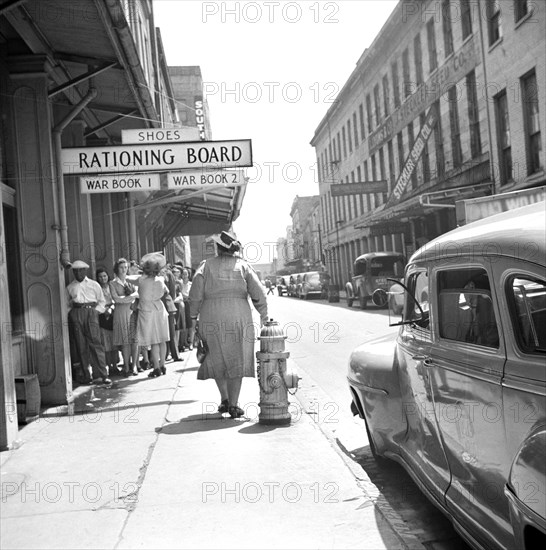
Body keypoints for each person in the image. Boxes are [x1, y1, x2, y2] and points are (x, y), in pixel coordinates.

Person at [189, 231, 268, 419]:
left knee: (216, 356)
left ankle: (224, 399)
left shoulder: (205, 266)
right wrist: (263, 314)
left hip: (211, 315)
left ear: (217, 248)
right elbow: (259, 293)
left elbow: (195, 294)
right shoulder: (243, 266)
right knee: (237, 357)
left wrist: (193, 318)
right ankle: (234, 404)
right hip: (238, 314)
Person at [66, 260, 111, 386]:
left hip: (91, 312)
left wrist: (96, 312)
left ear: (85, 271)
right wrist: (72, 315)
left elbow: (102, 301)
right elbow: (67, 304)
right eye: (75, 271)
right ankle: (87, 375)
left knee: (96, 344)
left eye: (80, 270)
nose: (78, 273)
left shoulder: (94, 284)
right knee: (81, 346)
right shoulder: (70, 287)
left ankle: (103, 375)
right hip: (77, 312)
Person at [136, 252, 170, 378]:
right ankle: (162, 364)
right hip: (159, 309)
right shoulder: (161, 280)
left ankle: (156, 367)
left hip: (147, 310)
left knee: (154, 341)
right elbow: (167, 292)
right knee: (162, 339)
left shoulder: (141, 281)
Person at [110, 258, 140, 377]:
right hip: (121, 313)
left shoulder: (131, 281)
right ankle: (126, 366)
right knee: (125, 341)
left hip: (132, 311)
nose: (124, 269)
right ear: (117, 269)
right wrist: (131, 296)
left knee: (135, 340)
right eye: (122, 267)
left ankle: (134, 366)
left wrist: (130, 297)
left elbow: (138, 294)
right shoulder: (113, 283)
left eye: (126, 267)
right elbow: (116, 299)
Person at [96, 267, 119, 375]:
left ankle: (115, 366)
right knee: (106, 344)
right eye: (100, 277)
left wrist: (111, 309)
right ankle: (109, 367)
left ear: (108, 276)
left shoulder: (112, 286)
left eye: (104, 276)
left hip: (114, 314)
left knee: (114, 343)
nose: (103, 278)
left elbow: (116, 299)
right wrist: (104, 310)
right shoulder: (96, 288)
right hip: (102, 315)